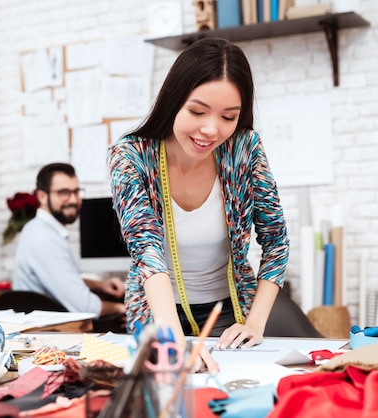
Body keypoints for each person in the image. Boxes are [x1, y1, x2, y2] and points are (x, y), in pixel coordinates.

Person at [107, 38, 289, 372]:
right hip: (153, 315)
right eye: (197, 111)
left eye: (228, 116)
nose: (211, 129)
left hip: (230, 315)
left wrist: (255, 322)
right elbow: (146, 249)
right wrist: (172, 339)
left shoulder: (244, 149)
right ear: (173, 100)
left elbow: (276, 241)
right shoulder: (130, 157)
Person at [13, 163, 126, 323]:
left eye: (76, 191)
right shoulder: (45, 239)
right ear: (42, 196)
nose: (74, 199)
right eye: (64, 192)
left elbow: (64, 280)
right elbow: (86, 307)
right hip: (51, 334)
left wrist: (100, 285)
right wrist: (123, 308)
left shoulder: (36, 229)